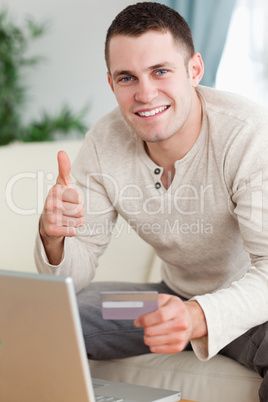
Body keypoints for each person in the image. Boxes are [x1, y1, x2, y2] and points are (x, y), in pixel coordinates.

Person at [34, 2, 268, 400]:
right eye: (127, 77)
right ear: (111, 84)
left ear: (194, 70)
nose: (145, 93)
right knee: (40, 314)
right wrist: (54, 239)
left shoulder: (247, 135)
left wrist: (197, 317)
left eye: (160, 71)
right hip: (166, 298)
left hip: (251, 306)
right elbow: (73, 271)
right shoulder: (104, 142)